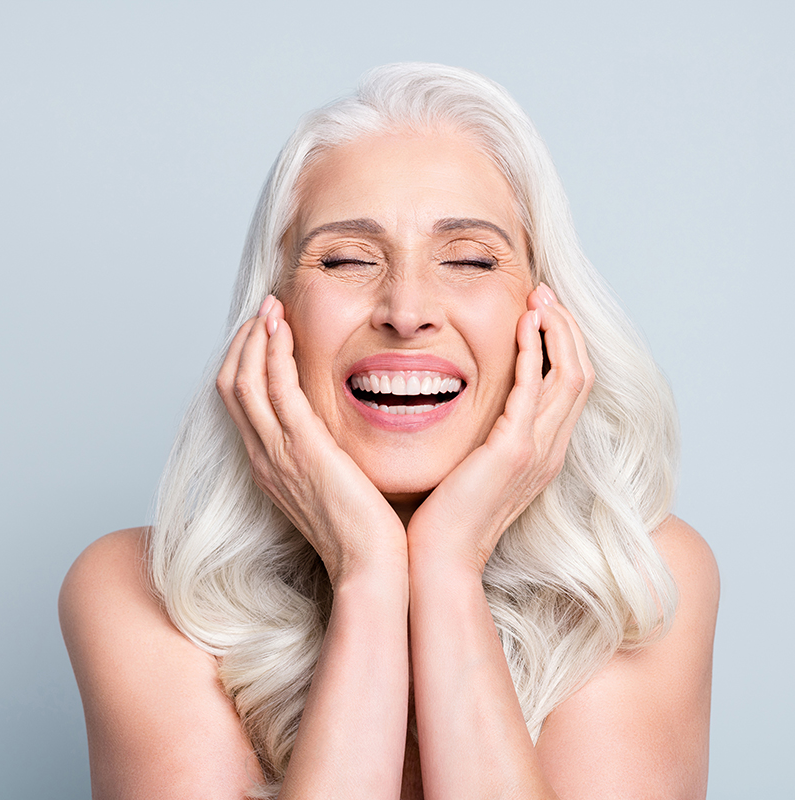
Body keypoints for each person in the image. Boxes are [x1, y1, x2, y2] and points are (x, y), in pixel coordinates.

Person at [59, 63, 719, 800]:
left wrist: (446, 564)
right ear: (273, 317)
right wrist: (369, 573)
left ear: (543, 319)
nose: (406, 310)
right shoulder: (136, 593)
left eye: (469, 259)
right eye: (345, 259)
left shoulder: (641, 581)